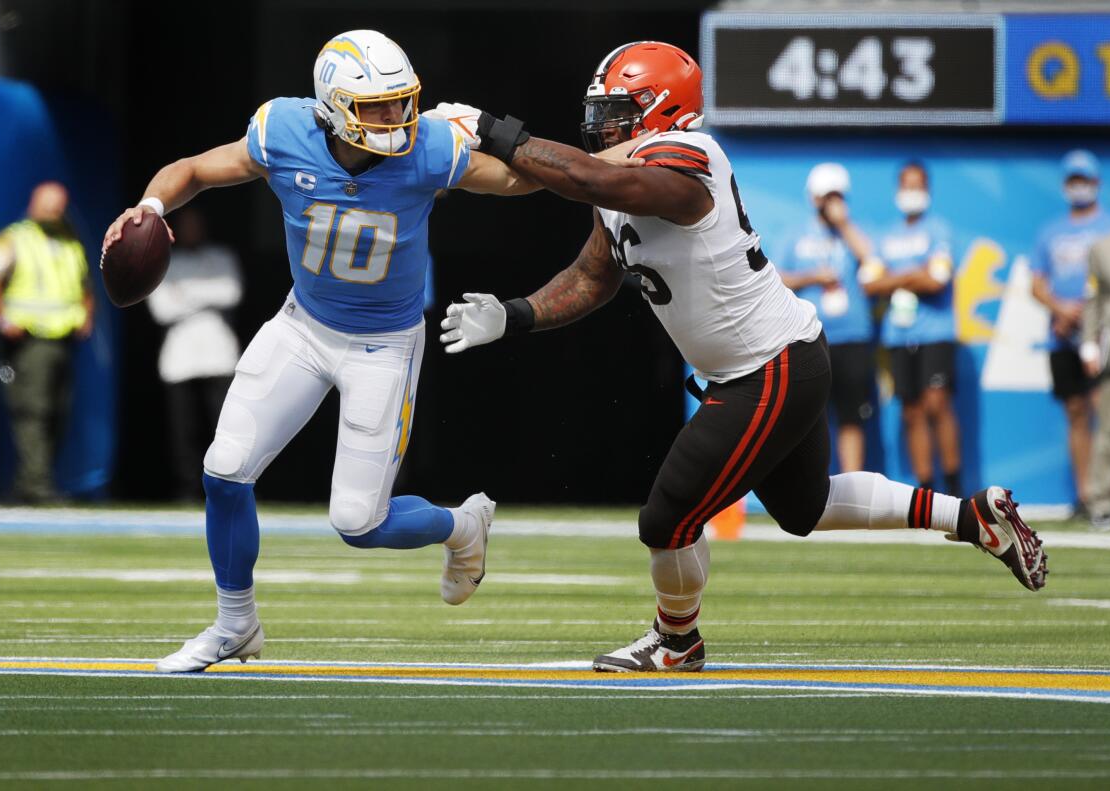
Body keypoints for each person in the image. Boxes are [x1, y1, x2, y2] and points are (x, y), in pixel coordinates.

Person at [432, 41, 1048, 673]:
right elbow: (595, 275)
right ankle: (970, 516)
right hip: (771, 361)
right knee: (804, 507)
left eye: (617, 111)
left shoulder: (692, 156)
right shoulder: (621, 177)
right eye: (600, 112)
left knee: (666, 518)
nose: (601, 127)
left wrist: (493, 130)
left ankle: (677, 641)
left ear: (664, 110)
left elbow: (596, 178)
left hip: (768, 367)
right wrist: (516, 313)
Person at [103, 30, 546, 673]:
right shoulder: (284, 130)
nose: (397, 119)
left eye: (403, 104)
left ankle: (462, 525)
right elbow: (195, 170)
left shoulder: (429, 147)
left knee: (358, 522)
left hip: (383, 345)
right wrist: (147, 206)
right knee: (224, 469)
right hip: (303, 326)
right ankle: (235, 625)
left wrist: (499, 132)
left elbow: (516, 182)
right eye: (380, 108)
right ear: (333, 106)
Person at [0, 181, 94, 503]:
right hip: (30, 339)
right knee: (34, 410)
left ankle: (32, 481)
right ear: (33, 203)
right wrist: (2, 318)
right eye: (49, 204)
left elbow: (83, 282)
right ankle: (36, 484)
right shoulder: (16, 237)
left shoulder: (69, 239)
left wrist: (87, 313)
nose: (54, 211)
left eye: (59, 204)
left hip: (64, 339)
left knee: (59, 412)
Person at [863, 162, 962, 496]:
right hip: (898, 335)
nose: (911, 192)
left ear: (928, 190)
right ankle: (926, 489)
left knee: (938, 406)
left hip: (936, 333)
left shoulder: (940, 230)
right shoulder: (885, 235)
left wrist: (895, 277)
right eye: (906, 185)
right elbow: (870, 283)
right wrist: (911, 273)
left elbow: (937, 279)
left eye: (917, 185)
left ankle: (953, 486)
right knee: (912, 411)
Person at [1031, 150, 1110, 517]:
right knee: (1076, 412)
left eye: (1084, 179)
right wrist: (1061, 310)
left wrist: (1088, 316)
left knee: (1109, 412)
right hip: (1062, 334)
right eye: (1072, 180)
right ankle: (1084, 495)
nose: (1078, 186)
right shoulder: (1051, 231)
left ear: (1097, 183)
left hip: (1104, 337)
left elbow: (1105, 290)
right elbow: (1036, 283)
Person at [775, 163, 877, 472]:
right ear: (814, 197)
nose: (831, 202)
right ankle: (812, 486)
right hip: (809, 337)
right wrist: (813, 277)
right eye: (825, 196)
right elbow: (776, 278)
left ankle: (854, 486)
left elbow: (871, 259)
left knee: (851, 416)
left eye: (836, 196)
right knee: (808, 418)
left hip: (853, 336)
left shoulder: (854, 230)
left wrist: (844, 225)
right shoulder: (795, 234)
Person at [147, 207, 244, 502]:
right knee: (184, 431)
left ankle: (230, 489)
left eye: (196, 224)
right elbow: (161, 310)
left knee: (225, 428)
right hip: (179, 359)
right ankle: (188, 491)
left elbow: (232, 292)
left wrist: (184, 294)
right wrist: (207, 297)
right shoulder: (164, 263)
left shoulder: (222, 257)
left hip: (220, 355)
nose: (192, 231)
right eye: (186, 226)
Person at [1083, 210, 1110, 530]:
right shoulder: (1103, 248)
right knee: (1109, 427)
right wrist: (1089, 343)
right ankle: (1103, 501)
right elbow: (1093, 299)